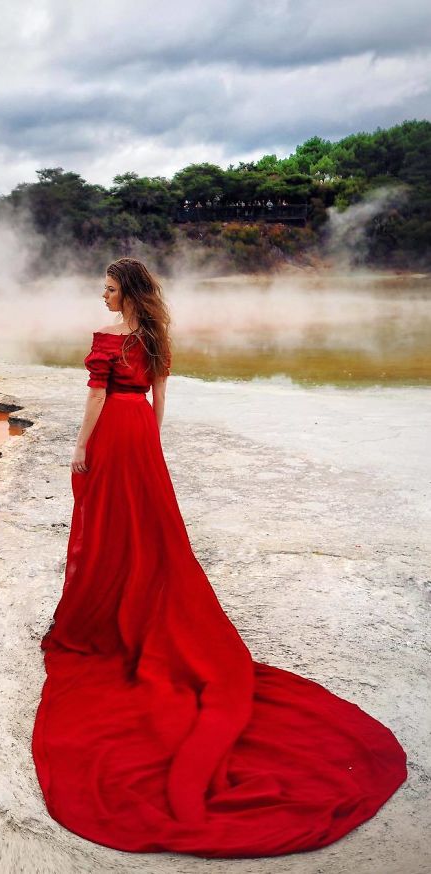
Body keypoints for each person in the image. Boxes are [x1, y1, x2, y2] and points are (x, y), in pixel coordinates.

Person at [31, 257, 407, 858]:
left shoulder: (109, 341)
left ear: (125, 291)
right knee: (152, 531)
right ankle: (137, 601)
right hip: (142, 435)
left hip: (114, 433)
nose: (101, 297)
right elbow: (158, 396)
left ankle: (103, 610)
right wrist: (151, 442)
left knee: (109, 525)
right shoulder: (153, 338)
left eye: (107, 288)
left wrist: (81, 446)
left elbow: (98, 398)